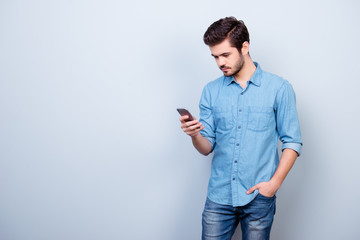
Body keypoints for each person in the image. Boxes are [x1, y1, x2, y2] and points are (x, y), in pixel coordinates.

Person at [179, 17, 302, 240]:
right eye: (215, 56)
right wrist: (195, 134)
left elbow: (292, 141)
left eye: (225, 55)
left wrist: (273, 185)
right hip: (219, 197)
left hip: (259, 197)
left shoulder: (279, 88)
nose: (219, 63)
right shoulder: (211, 91)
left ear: (244, 47)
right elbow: (206, 147)